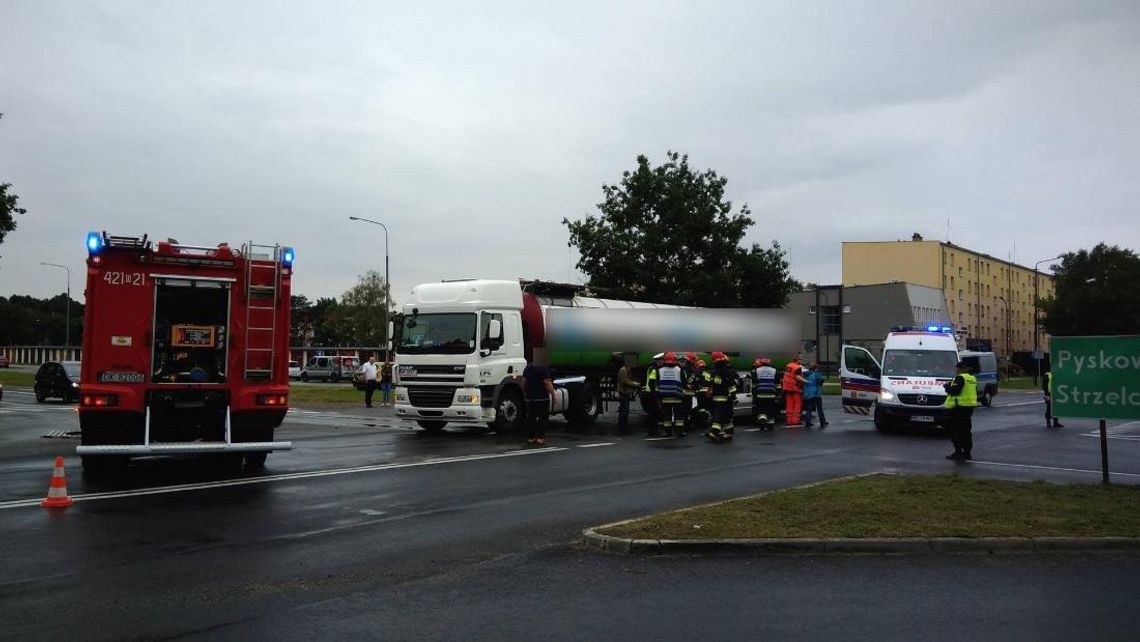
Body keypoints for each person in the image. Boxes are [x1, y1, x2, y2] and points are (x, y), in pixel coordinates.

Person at [942, 360, 979, 460]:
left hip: (958, 408)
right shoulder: (972, 378)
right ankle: (967, 453)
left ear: (960, 369)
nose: (956, 370)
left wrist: (947, 386)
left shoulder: (960, 378)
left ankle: (958, 451)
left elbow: (954, 392)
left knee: (955, 431)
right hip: (968, 408)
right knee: (966, 431)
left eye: (957, 368)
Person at [523, 355, 554, 446]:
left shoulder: (528, 368)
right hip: (542, 398)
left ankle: (531, 437)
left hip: (531, 398)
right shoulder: (543, 368)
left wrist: (526, 392)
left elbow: (524, 382)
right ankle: (540, 438)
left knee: (531, 418)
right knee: (542, 418)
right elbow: (547, 383)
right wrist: (553, 394)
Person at [654, 352, 687, 437]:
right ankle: (679, 432)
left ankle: (668, 432)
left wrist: (658, 397)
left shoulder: (660, 370)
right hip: (677, 397)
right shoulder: (679, 370)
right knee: (678, 416)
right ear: (675, 360)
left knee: (667, 417)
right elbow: (684, 383)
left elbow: (657, 385)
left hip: (665, 397)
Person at [707, 352, 737, 442]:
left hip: (721, 399)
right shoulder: (725, 372)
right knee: (726, 416)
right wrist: (734, 396)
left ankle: (714, 432)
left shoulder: (717, 372)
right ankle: (729, 432)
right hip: (723, 398)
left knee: (720, 416)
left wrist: (733, 396)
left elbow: (728, 385)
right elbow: (730, 385)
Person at [615, 355, 640, 435]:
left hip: (626, 392)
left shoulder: (627, 369)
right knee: (624, 410)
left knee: (625, 409)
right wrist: (634, 384)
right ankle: (622, 426)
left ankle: (624, 425)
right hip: (623, 392)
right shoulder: (623, 370)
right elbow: (625, 381)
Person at [752, 357, 778, 431]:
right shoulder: (774, 370)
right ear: (769, 363)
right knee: (770, 410)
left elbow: (754, 384)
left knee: (761, 409)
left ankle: (762, 421)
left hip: (760, 394)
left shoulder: (756, 371)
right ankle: (770, 425)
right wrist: (778, 394)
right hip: (771, 394)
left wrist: (754, 394)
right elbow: (778, 384)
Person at [781, 355, 807, 427]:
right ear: (797, 360)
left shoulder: (788, 366)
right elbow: (797, 377)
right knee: (797, 405)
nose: (801, 361)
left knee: (789, 405)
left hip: (787, 388)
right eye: (800, 359)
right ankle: (795, 421)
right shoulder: (797, 368)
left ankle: (789, 420)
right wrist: (806, 381)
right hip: (795, 389)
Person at [688, 359, 711, 435]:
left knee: (701, 408)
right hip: (707, 393)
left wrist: (693, 386)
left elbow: (690, 381)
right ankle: (705, 423)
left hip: (700, 393)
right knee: (705, 409)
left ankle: (701, 423)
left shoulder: (695, 373)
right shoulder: (708, 373)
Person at [643, 353, 664, 434]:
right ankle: (652, 430)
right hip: (652, 393)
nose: (662, 362)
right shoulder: (654, 369)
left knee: (654, 413)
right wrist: (655, 393)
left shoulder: (652, 368)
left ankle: (653, 429)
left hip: (650, 393)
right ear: (657, 361)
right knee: (654, 413)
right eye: (661, 360)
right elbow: (652, 382)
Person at [802, 362, 828, 428]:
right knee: (819, 408)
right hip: (816, 393)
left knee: (809, 408)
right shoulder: (817, 374)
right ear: (816, 368)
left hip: (808, 393)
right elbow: (820, 382)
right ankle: (822, 421)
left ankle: (808, 422)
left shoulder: (805, 374)